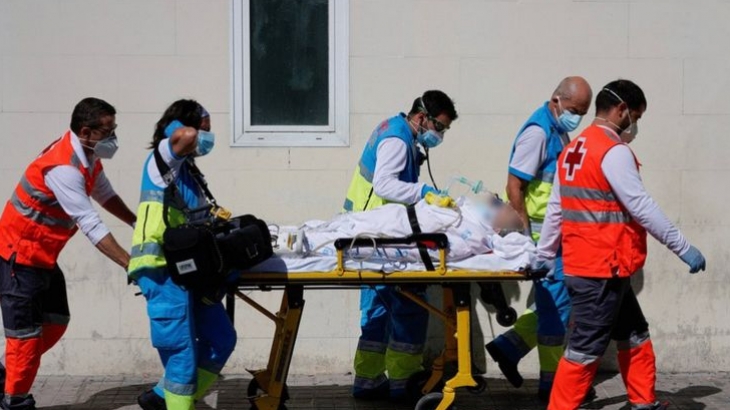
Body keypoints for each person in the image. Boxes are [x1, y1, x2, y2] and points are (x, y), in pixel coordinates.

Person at [537, 80, 707, 410]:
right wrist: (682, 247)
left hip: (598, 267)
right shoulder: (613, 152)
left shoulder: (574, 149)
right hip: (602, 269)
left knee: (633, 333)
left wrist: (545, 253)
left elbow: (556, 207)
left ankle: (642, 401)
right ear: (621, 110)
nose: (635, 125)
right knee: (585, 349)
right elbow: (641, 206)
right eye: (636, 117)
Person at [0, 97, 136, 410]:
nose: (113, 138)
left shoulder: (86, 156)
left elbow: (104, 193)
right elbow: (90, 224)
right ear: (86, 131)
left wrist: (135, 221)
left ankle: (5, 375)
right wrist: (129, 263)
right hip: (20, 259)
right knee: (24, 338)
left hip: (43, 257)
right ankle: (15, 401)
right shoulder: (63, 168)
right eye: (108, 132)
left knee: (55, 323)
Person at [342, 90, 457, 401]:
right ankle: (402, 383)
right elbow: (384, 185)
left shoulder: (394, 129)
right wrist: (424, 192)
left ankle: (367, 380)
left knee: (376, 312)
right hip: (382, 238)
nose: (440, 134)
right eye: (439, 127)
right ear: (421, 117)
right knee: (410, 306)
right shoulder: (396, 139)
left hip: (369, 234)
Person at [485, 76, 592, 401]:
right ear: (556, 100)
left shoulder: (557, 129)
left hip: (555, 235)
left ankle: (509, 347)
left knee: (555, 303)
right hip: (543, 236)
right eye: (574, 110)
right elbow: (514, 185)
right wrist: (527, 237)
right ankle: (553, 384)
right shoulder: (539, 133)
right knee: (556, 308)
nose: (577, 117)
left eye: (582, 113)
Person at [129, 100, 236, 410]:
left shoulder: (187, 170)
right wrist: (177, 125)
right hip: (161, 269)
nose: (206, 137)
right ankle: (176, 402)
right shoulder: (164, 157)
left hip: (190, 271)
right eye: (205, 129)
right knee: (181, 357)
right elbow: (185, 136)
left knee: (221, 339)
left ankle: (162, 399)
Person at [278, 193, 527, 262]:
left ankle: (283, 246)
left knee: (340, 239)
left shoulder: (477, 236)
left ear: (501, 228)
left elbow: (442, 248)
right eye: (502, 201)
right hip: (396, 216)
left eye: (506, 208)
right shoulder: (469, 210)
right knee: (339, 224)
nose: (502, 204)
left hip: (397, 232)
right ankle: (279, 235)